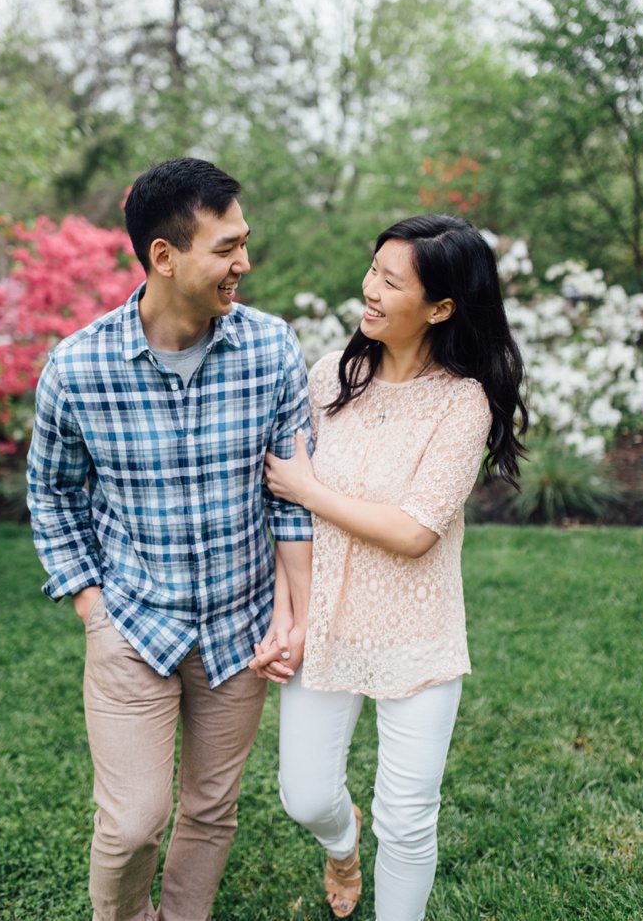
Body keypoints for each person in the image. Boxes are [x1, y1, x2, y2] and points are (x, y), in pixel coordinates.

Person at [27, 157, 313, 921]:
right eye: (226, 248)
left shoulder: (273, 350)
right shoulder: (78, 368)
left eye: (243, 243)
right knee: (130, 823)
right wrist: (91, 601)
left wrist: (294, 613)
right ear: (164, 256)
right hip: (132, 623)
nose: (243, 263)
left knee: (212, 807)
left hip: (240, 628)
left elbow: (293, 499)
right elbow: (51, 492)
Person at [254, 214, 526, 920]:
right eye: (373, 269)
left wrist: (312, 488)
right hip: (325, 622)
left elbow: (413, 532)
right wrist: (290, 613)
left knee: (406, 819)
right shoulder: (329, 377)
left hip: (418, 632)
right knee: (305, 794)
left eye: (390, 280)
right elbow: (288, 520)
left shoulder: (462, 402)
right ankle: (342, 847)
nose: (369, 289)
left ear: (441, 307)